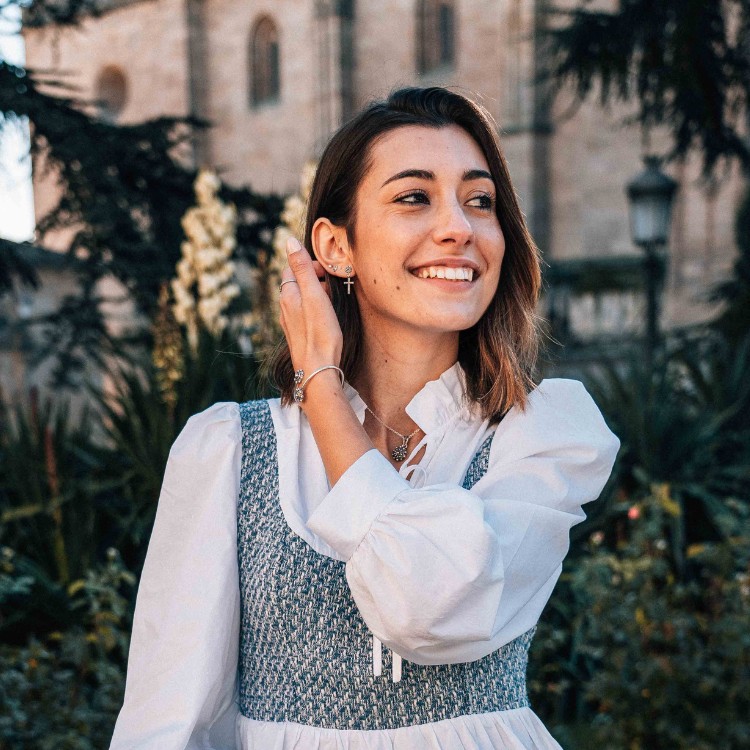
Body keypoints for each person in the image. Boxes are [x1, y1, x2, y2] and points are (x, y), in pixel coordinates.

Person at [110, 86, 620, 750]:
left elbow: (430, 607)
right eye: (413, 197)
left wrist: (321, 388)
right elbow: (165, 721)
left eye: (480, 201)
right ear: (335, 247)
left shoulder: (541, 436)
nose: (459, 228)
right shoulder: (232, 450)